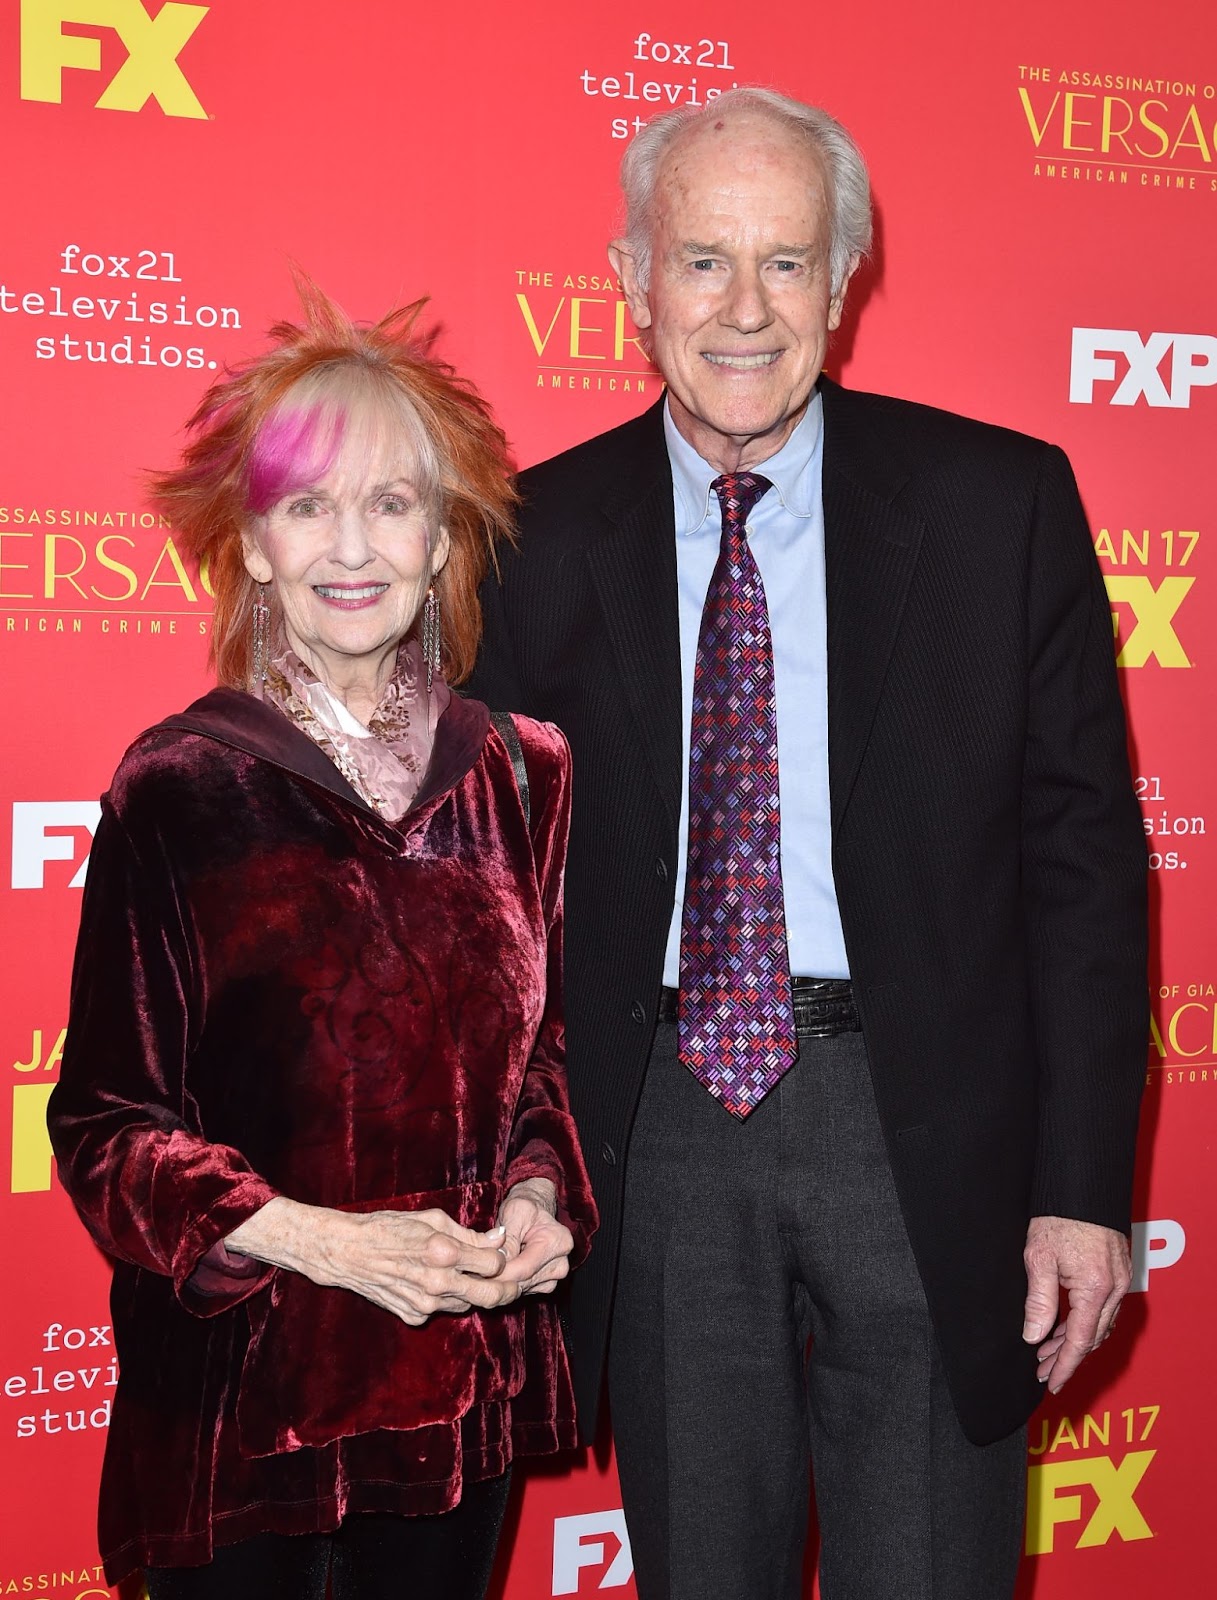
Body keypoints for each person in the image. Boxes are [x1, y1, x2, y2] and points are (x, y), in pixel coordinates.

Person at [467, 87, 1147, 1599]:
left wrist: (1083, 1184)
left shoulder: (1000, 503)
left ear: (842, 284)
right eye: (702, 259)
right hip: (653, 1143)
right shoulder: (525, 538)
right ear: (631, 276)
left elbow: (1082, 867)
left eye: (788, 262)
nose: (744, 309)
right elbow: (485, 910)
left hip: (926, 1134)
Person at [47, 284, 596, 1600]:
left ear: (442, 534)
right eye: (307, 505)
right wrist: (308, 1235)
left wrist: (536, 1197)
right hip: (247, 1412)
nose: (351, 546)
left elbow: (543, 1066)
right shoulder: (180, 785)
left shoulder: (522, 772)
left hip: (454, 1407)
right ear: (252, 540)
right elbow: (105, 1128)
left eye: (391, 503)